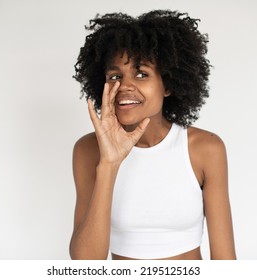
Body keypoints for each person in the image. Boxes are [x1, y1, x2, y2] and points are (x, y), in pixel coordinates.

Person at [69, 10, 236, 260]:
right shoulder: (88, 150)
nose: (124, 86)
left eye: (141, 74)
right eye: (115, 76)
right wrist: (109, 163)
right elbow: (85, 265)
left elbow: (225, 262)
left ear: (167, 85)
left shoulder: (205, 149)